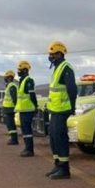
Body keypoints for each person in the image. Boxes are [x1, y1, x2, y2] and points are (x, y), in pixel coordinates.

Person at [45, 41, 77, 179]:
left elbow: (72, 89)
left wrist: (72, 107)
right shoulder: (57, 68)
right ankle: (57, 164)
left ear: (60, 54)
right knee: (53, 138)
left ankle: (64, 169)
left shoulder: (65, 67)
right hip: (55, 110)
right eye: (50, 54)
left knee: (60, 138)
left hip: (62, 110)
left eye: (53, 54)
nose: (50, 56)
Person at [16, 60, 39, 157]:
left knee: (27, 130)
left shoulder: (28, 81)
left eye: (20, 70)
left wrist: (36, 106)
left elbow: (32, 95)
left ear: (25, 70)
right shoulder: (22, 81)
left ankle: (30, 150)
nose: (18, 72)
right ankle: (27, 148)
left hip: (28, 109)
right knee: (24, 130)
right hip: (23, 109)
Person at [2, 70, 19, 145]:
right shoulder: (9, 85)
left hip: (10, 108)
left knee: (11, 124)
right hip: (8, 108)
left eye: (6, 77)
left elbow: (14, 98)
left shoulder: (12, 86)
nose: (5, 78)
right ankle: (13, 138)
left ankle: (14, 139)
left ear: (9, 77)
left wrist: (16, 107)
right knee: (9, 124)